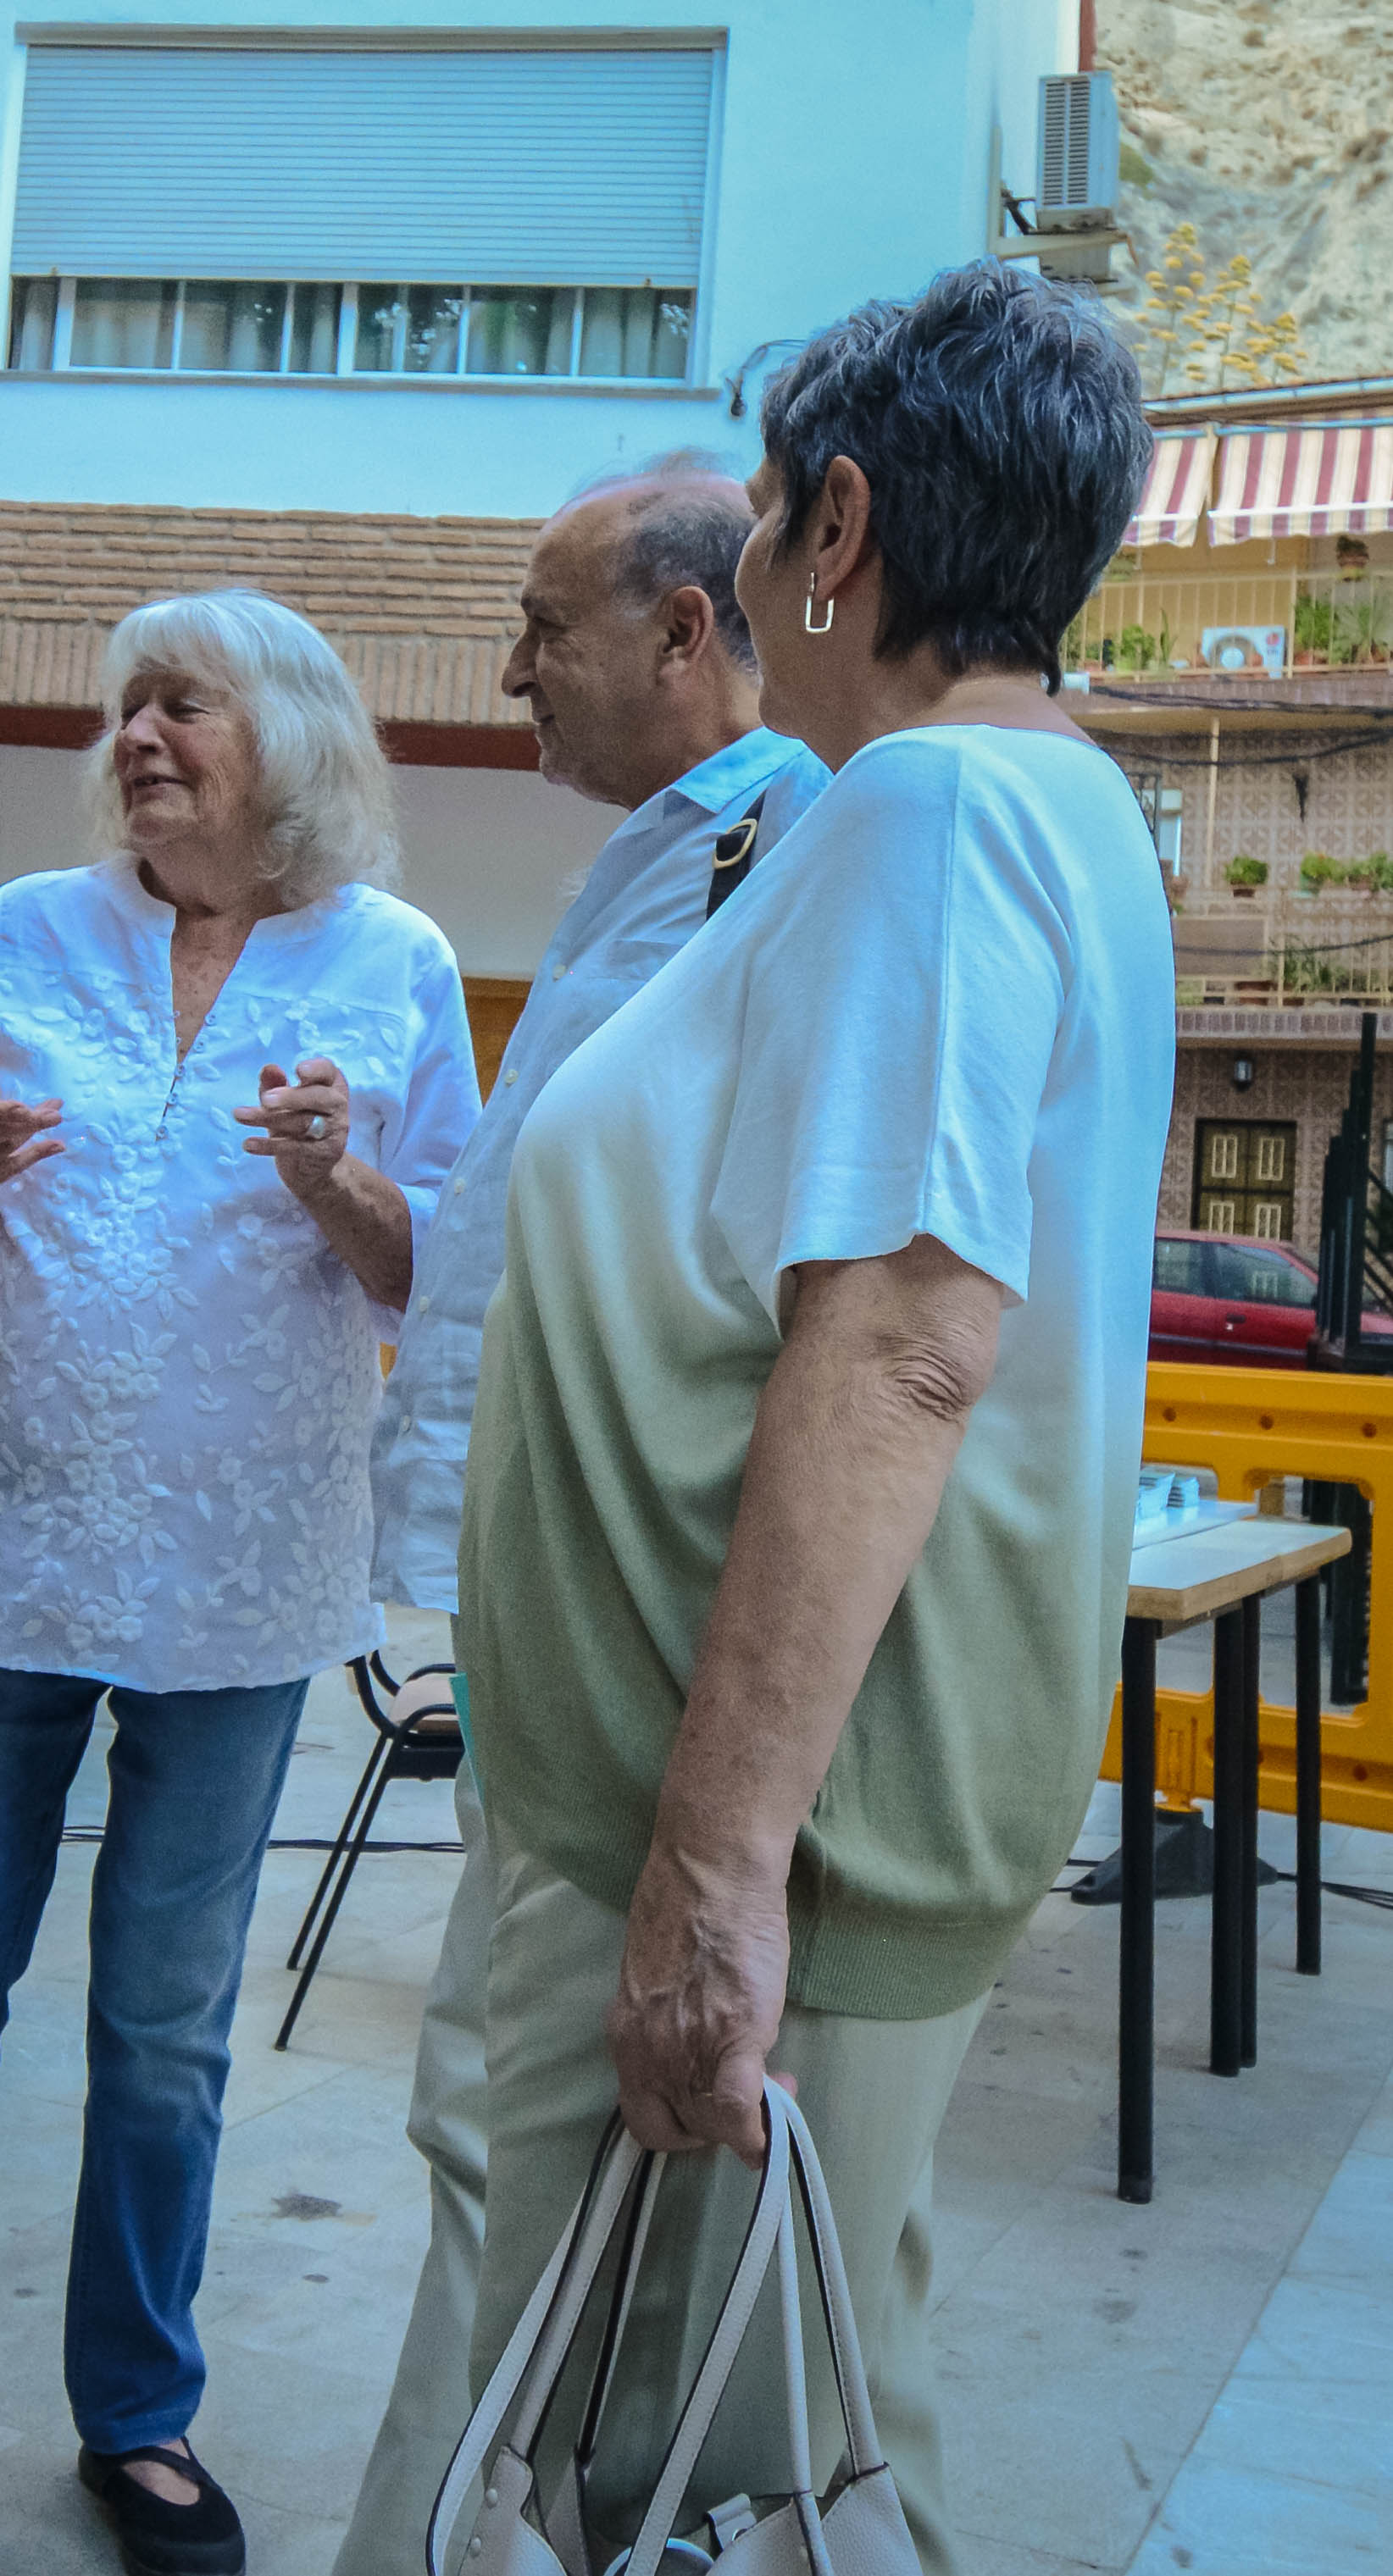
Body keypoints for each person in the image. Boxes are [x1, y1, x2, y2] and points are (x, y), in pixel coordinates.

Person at [425, 260, 1165, 2575]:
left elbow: (901, 1337)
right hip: (777, 1789)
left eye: (759, 516)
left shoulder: (930, 808)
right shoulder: (1031, 801)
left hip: (769, 1811)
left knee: (672, 2469)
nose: (745, 571)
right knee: (764, 2430)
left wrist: (710, 1872)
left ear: (836, 525)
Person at [0, 590, 479, 2576]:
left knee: (162, 2021)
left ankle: (135, 2412)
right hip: (10, 1546)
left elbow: (433, 1269)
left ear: (286, 739)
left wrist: (331, 1176)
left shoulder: (393, 963)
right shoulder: (23, 930)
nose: (134, 735)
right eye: (124, 707)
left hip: (241, 1578)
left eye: (178, 705)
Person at [332, 457, 827, 2573]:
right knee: (494, 2130)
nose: (510, 671)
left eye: (543, 627)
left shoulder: (782, 849)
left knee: (501, 2130)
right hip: (538, 1593)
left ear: (685, 629)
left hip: (628, 1616)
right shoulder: (668, 856)